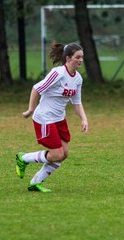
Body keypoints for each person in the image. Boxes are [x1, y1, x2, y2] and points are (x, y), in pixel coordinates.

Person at [16, 41, 88, 192]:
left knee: (64, 154)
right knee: (57, 154)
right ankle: (23, 158)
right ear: (68, 58)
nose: (80, 60)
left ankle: (35, 182)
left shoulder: (78, 78)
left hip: (59, 119)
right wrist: (30, 109)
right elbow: (36, 88)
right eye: (77, 57)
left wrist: (84, 119)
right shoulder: (58, 73)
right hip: (44, 118)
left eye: (82, 57)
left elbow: (77, 102)